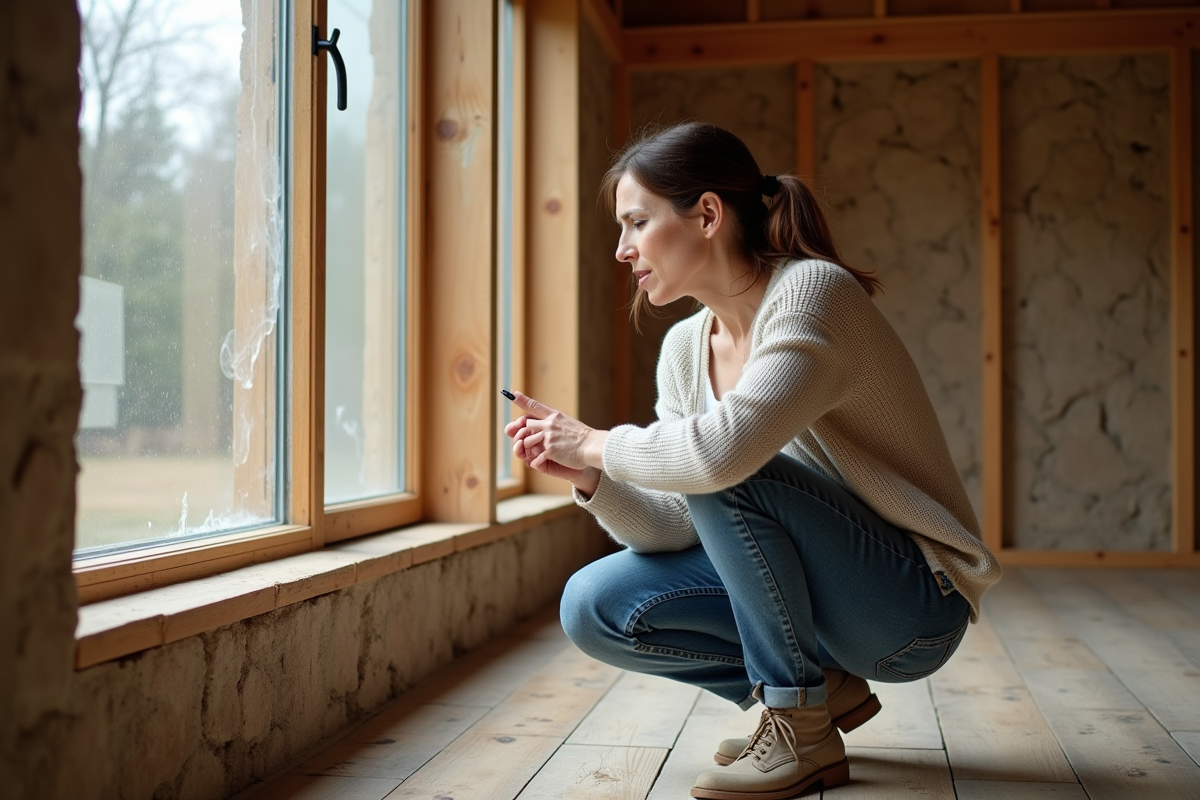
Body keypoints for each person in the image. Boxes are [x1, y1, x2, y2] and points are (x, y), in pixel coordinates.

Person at [503, 121, 1001, 800]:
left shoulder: (812, 294)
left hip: (911, 605)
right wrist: (594, 477)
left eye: (637, 223)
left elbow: (715, 461)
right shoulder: (684, 349)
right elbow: (680, 524)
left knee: (722, 460)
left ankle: (798, 722)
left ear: (707, 214)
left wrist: (594, 441)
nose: (621, 250)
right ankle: (819, 693)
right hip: (824, 606)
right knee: (594, 604)